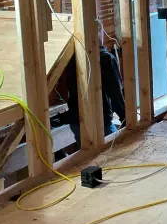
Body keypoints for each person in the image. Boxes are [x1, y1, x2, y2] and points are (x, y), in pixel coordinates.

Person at [54, 19, 126, 148]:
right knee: (116, 156)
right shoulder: (106, 59)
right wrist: (126, 121)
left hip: (76, 123)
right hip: (101, 124)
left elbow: (64, 89)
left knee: (90, 160)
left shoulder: (70, 58)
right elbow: (116, 95)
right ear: (99, 32)